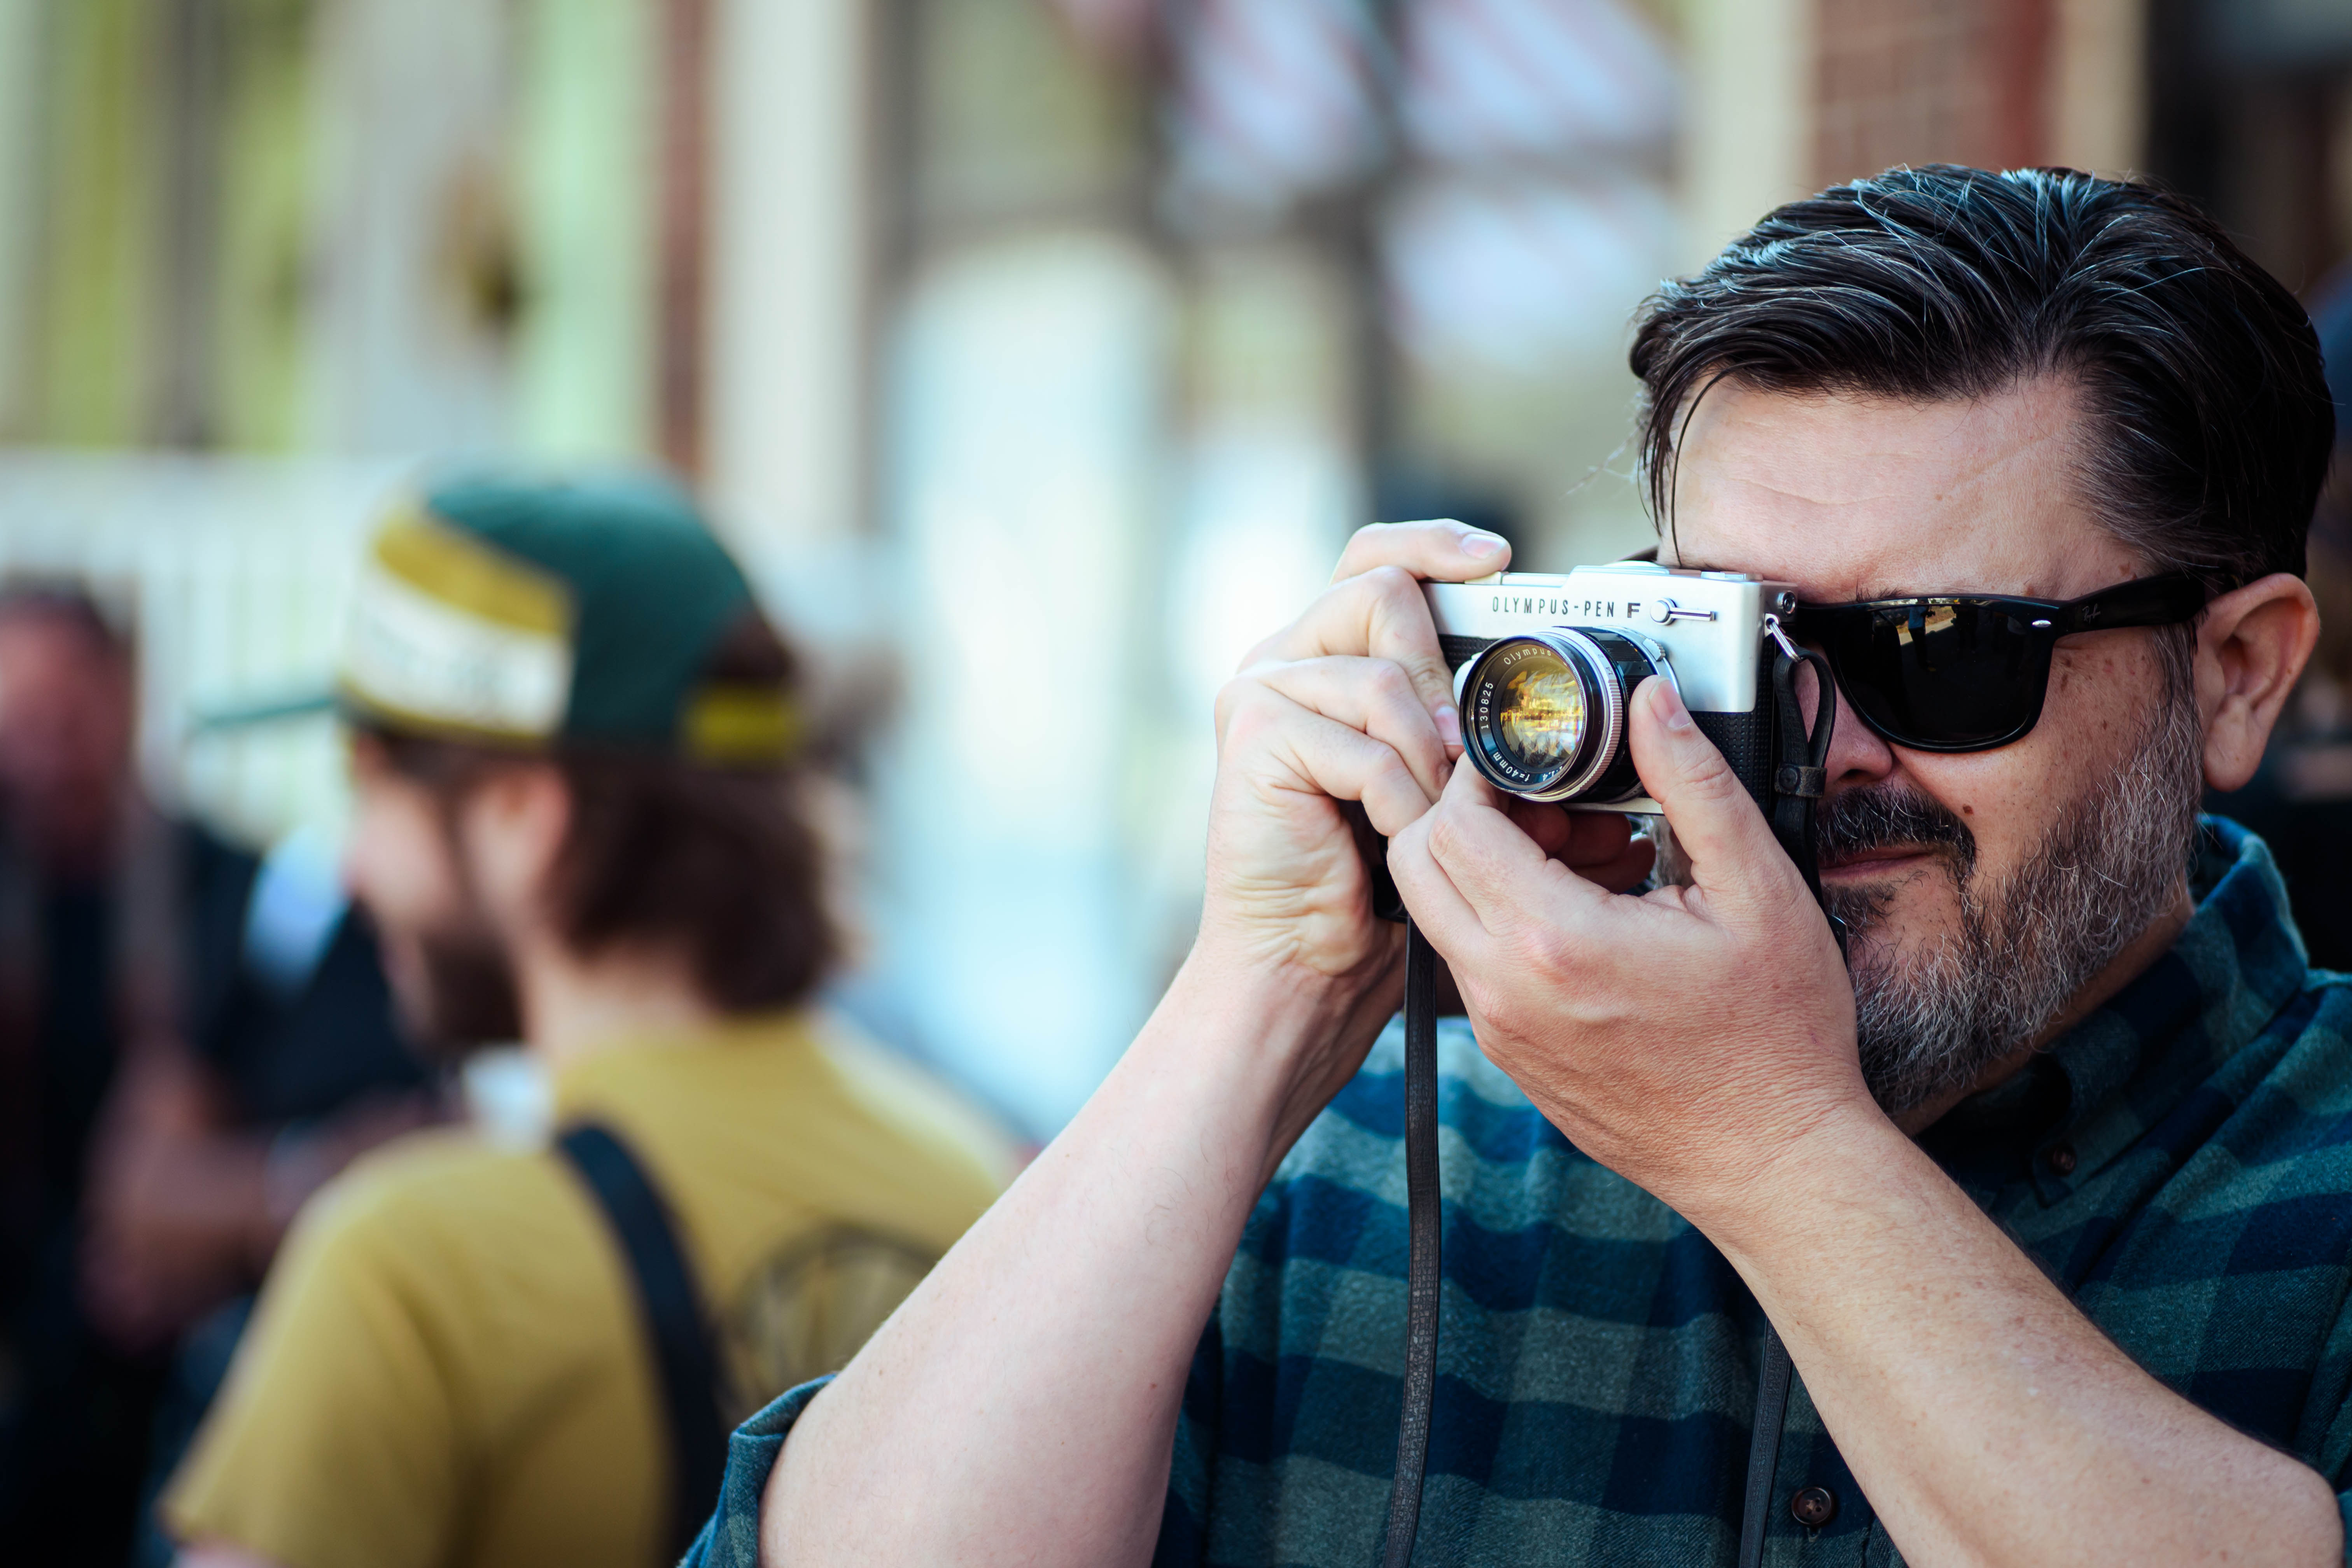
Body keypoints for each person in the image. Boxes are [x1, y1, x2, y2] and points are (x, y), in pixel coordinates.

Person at [695, 166, 2352, 1566]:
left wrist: (1774, 1150)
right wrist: (1265, 994)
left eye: (1941, 651)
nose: (1811, 748)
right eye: (1738, 645)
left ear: (2236, 677)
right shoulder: (1391, 1154)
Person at [159, 476, 1016, 1568]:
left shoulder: (411, 1272)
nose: (353, 864)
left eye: (370, 785)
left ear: (523, 818)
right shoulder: (976, 1192)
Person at [0, 585, 428, 1568]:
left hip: (202, 1365)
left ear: (127, 691)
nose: (44, 732)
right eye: (17, 700)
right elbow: (146, 1182)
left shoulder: (247, 894)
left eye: (69, 693)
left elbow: (380, 1147)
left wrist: (224, 1217)